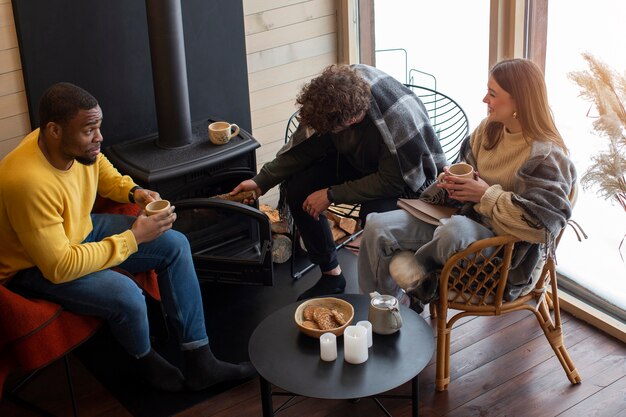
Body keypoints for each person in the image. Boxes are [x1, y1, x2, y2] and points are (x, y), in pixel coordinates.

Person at [0, 82, 255, 392]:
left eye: (99, 127)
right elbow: (59, 266)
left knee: (175, 245)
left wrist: (133, 192)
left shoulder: (70, 147)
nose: (100, 138)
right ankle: (143, 359)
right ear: (54, 130)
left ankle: (199, 358)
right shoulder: (26, 181)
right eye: (89, 130)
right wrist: (133, 238)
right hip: (35, 266)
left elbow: (99, 166)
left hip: (77, 231)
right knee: (127, 295)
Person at [358, 58, 577, 311]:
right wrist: (449, 183)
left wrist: (485, 195)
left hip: (504, 254)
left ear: (519, 101)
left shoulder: (547, 156)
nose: (485, 99)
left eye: (493, 94)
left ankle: (419, 281)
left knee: (455, 230)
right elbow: (465, 170)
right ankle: (379, 313)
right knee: (376, 225)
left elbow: (544, 226)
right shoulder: (490, 130)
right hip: (458, 222)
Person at [231, 64, 447, 300]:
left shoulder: (396, 120)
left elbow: (391, 181)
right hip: (356, 160)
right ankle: (332, 275)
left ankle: (398, 294)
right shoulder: (334, 100)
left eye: (333, 129)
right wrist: (262, 181)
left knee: (375, 219)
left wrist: (331, 194)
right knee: (299, 188)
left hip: (401, 177)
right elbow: (306, 149)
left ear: (353, 118)